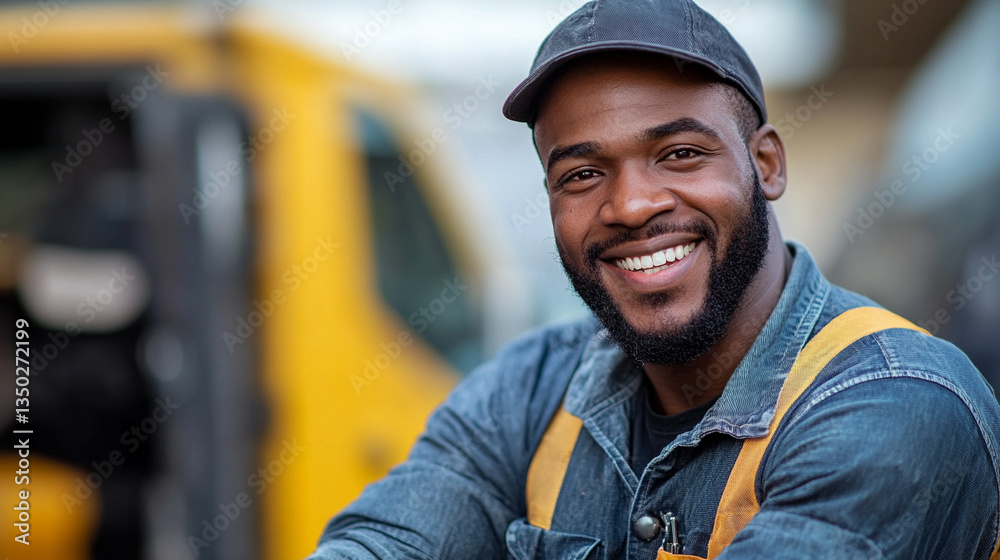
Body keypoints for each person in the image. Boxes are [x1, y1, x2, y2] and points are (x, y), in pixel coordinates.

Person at [308, 1, 1000, 558]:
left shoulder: (896, 403)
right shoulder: (527, 390)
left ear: (766, 165)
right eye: (582, 174)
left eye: (679, 153)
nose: (632, 205)